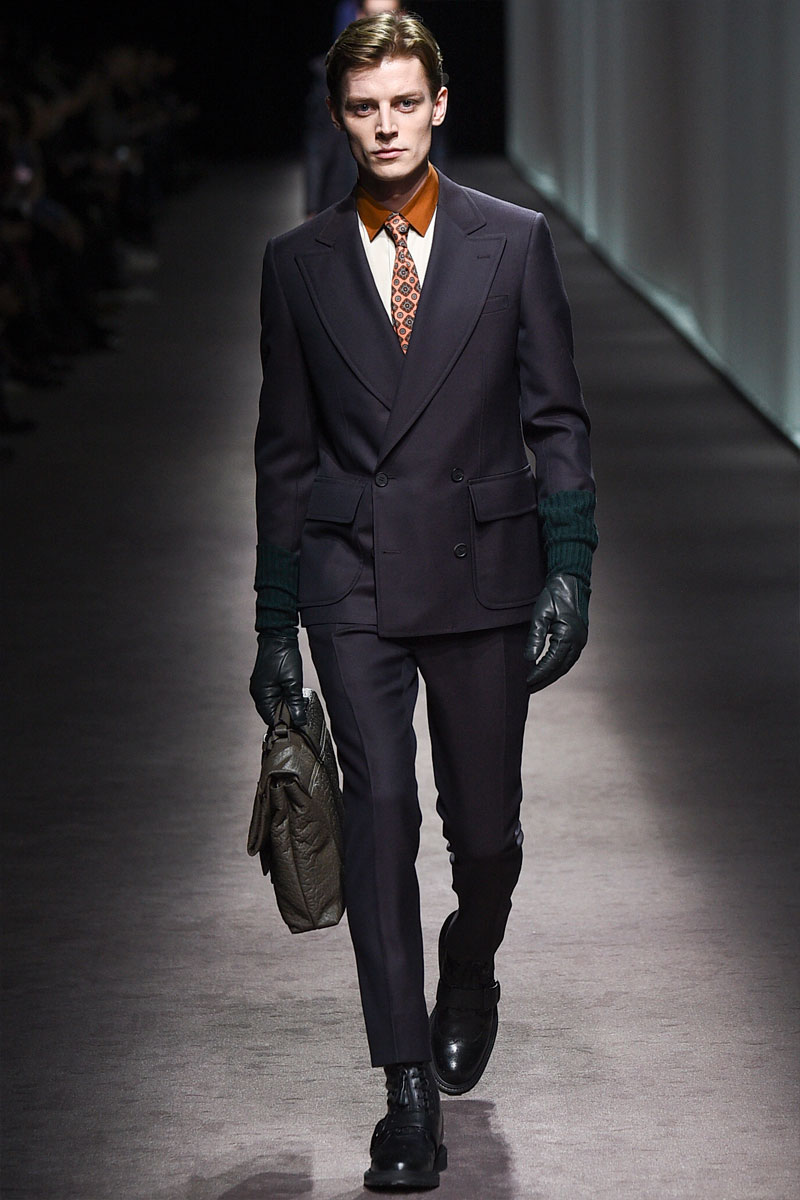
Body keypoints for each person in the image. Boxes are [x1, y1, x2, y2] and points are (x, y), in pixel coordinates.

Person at [250, 12, 597, 1191]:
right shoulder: (296, 263)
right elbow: (283, 454)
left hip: (482, 568)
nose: (386, 127)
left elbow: (556, 417)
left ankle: (471, 955)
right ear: (337, 117)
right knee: (379, 815)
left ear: (439, 104)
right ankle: (405, 1093)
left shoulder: (513, 242)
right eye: (363, 109)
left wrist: (568, 567)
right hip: (351, 573)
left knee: (483, 833)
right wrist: (274, 623)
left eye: (404, 103)